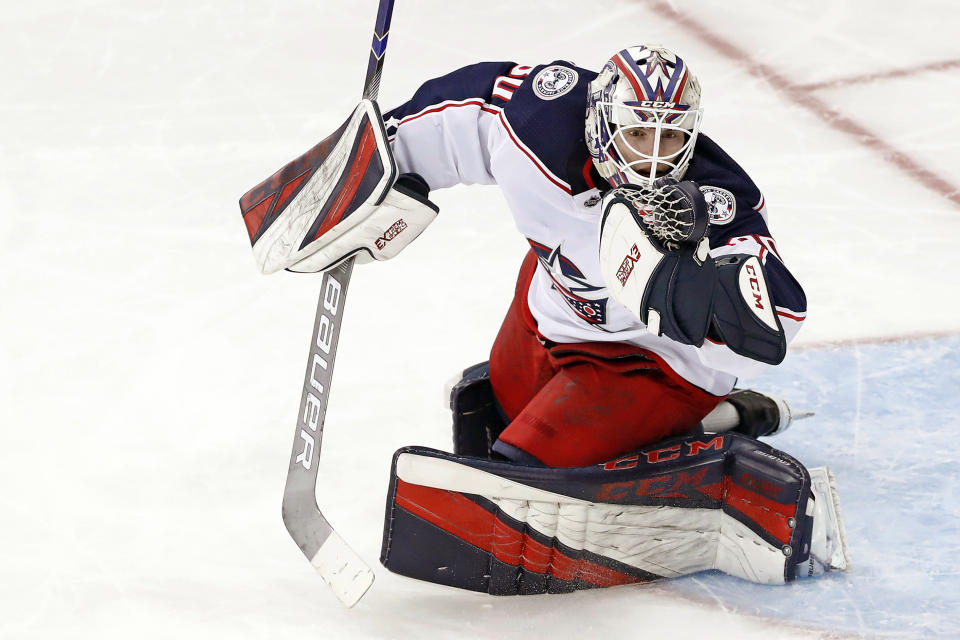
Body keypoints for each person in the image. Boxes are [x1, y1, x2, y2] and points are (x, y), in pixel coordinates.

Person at [381, 45, 807, 467]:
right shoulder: (541, 119)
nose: (653, 159)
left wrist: (700, 297)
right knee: (493, 414)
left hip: (653, 364)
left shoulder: (717, 200)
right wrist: (375, 163)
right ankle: (719, 419)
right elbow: (471, 108)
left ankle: (696, 420)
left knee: (525, 474)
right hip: (551, 312)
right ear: (603, 122)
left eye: (671, 136)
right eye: (637, 133)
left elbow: (774, 322)